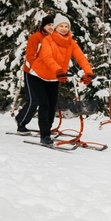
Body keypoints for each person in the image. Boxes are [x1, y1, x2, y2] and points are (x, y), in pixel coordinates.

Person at [28, 13, 94, 146]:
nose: (64, 29)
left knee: (52, 105)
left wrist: (89, 72)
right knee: (45, 104)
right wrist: (58, 70)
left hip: (53, 78)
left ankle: (48, 129)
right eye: (61, 26)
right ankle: (45, 135)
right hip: (37, 75)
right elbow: (47, 57)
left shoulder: (71, 42)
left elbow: (81, 57)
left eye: (66, 26)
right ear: (55, 28)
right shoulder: (48, 40)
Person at [14, 14, 54, 133]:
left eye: (52, 25)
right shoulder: (36, 37)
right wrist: (35, 70)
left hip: (45, 75)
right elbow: (30, 56)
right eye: (48, 25)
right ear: (43, 26)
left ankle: (46, 127)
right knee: (33, 100)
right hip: (32, 72)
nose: (51, 27)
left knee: (46, 101)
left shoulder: (54, 38)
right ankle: (21, 122)